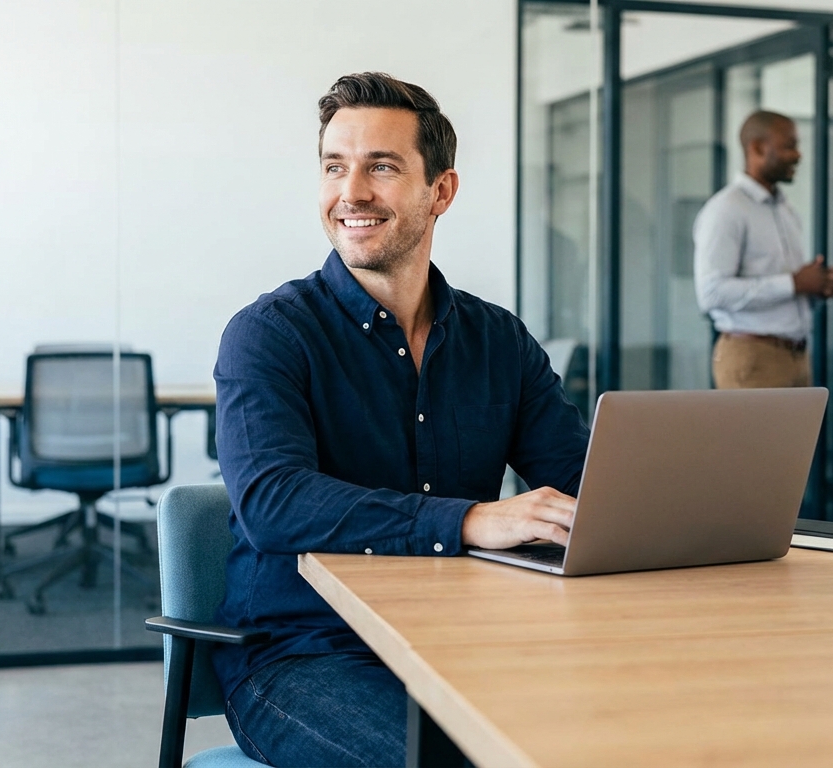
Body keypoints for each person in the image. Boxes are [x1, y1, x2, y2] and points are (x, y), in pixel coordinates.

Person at [211, 72, 590, 767]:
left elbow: (581, 484)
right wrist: (469, 519)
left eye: (380, 167)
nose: (350, 192)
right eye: (334, 167)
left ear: (440, 191)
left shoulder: (497, 341)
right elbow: (273, 502)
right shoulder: (269, 334)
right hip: (307, 657)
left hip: (467, 646)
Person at [693, 110, 833, 390]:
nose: (798, 155)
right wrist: (794, 283)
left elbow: (789, 289)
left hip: (797, 357)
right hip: (752, 358)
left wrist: (817, 287)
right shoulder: (727, 209)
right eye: (789, 146)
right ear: (758, 148)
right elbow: (711, 293)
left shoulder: (785, 209)